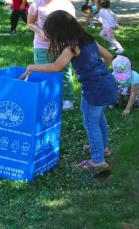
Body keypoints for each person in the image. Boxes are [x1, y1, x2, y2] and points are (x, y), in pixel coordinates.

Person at [19, 10, 118, 170]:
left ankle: (98, 160)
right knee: (99, 117)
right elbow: (108, 57)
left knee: (90, 122)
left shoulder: (72, 47)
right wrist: (101, 74)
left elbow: (57, 66)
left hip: (94, 87)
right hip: (106, 82)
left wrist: (32, 67)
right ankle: (103, 148)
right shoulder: (89, 40)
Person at [27, 0, 77, 110]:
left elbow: (72, 24)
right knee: (42, 72)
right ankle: (46, 99)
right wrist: (40, 31)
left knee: (64, 73)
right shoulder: (36, 5)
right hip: (41, 45)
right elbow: (30, 23)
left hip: (62, 46)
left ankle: (67, 99)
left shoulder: (66, 4)